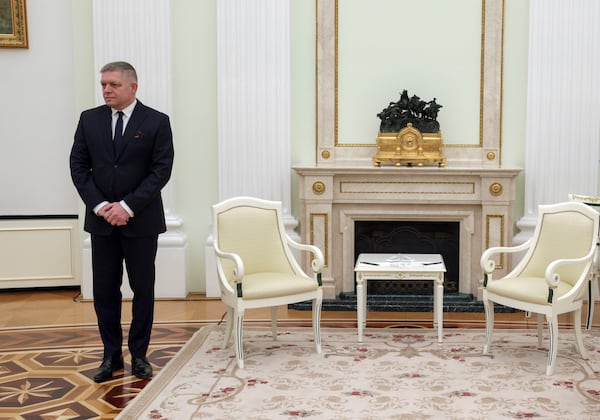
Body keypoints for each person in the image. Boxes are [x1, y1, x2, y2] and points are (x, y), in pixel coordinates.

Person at [70, 61, 174, 382]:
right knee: (104, 291)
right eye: (103, 84)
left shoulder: (156, 121)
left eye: (113, 84)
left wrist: (126, 207)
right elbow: (78, 166)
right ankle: (110, 356)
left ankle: (139, 355)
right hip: (101, 223)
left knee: (143, 290)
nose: (106, 90)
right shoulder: (89, 120)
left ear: (133, 87)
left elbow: (161, 171)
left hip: (141, 222)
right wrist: (102, 206)